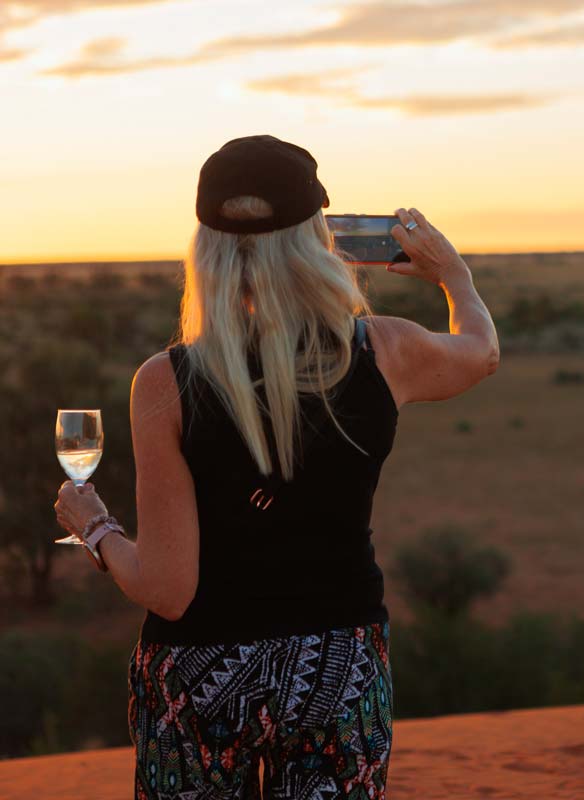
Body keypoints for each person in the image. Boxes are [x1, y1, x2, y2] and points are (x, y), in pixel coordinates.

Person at [52, 134, 499, 799]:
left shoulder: (164, 383)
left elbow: (167, 589)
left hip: (198, 673)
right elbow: (481, 351)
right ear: (318, 238)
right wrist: (453, 276)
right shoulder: (385, 350)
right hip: (339, 669)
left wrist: (94, 528)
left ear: (206, 249)